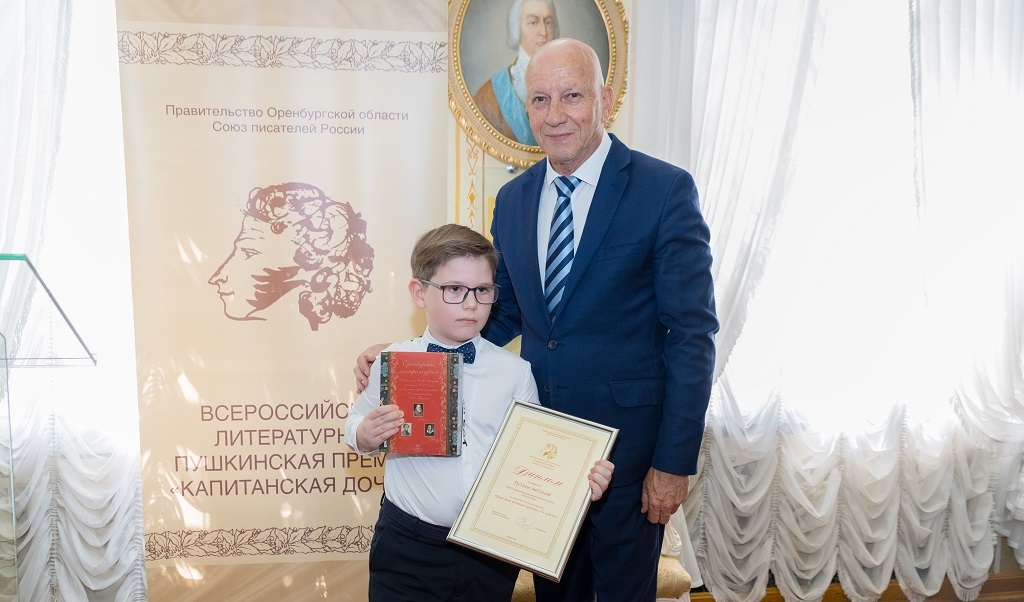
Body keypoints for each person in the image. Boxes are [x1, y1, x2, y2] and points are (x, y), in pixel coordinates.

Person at [357, 38, 718, 601]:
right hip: (534, 457)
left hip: (627, 457)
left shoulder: (664, 190)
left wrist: (673, 463)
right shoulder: (514, 199)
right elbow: (502, 311)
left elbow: (692, 335)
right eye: (540, 99)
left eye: (572, 96)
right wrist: (409, 356)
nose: (554, 115)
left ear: (606, 98)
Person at [344, 223, 614, 601]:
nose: (471, 303)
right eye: (454, 289)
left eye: (482, 290)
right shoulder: (392, 361)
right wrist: (363, 434)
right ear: (419, 292)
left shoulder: (515, 371)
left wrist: (578, 480)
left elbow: (534, 454)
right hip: (408, 546)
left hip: (490, 551)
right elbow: (355, 423)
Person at [208, 182, 374, 331]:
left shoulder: (383, 353)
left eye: (249, 253)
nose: (216, 277)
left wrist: (383, 356)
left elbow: (387, 357)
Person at [472, 0, 558, 146]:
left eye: (548, 22)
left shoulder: (569, 82)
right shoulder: (488, 96)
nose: (543, 32)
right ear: (517, 28)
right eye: (533, 22)